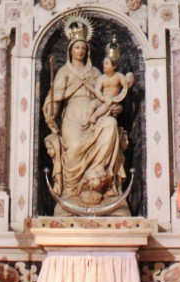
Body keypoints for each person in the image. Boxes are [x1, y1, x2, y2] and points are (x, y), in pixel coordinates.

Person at [43, 25, 129, 209]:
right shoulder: (64, 72)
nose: (80, 51)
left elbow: (109, 96)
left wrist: (116, 107)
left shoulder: (96, 73)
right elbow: (55, 99)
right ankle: (71, 190)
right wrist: (51, 111)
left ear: (87, 50)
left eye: (83, 47)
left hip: (95, 114)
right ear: (70, 50)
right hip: (73, 116)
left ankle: (99, 178)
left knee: (110, 124)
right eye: (77, 47)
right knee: (74, 146)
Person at [89, 52, 134, 125]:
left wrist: (129, 78)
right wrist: (102, 98)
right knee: (91, 104)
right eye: (104, 63)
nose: (104, 65)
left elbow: (126, 86)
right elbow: (97, 90)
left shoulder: (118, 76)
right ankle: (86, 122)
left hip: (113, 101)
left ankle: (94, 116)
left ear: (114, 66)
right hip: (103, 99)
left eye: (107, 63)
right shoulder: (102, 78)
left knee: (108, 104)